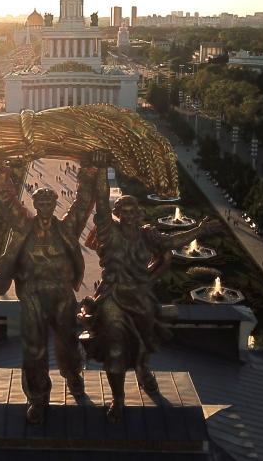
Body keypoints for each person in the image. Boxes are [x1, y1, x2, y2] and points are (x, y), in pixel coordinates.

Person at [81, 153, 217, 423]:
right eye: (124, 210)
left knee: (144, 345)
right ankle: (118, 399)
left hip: (141, 298)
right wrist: (102, 168)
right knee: (116, 350)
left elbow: (171, 241)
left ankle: (143, 371)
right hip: (113, 298)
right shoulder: (109, 231)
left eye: (134, 210)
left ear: (139, 213)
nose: (129, 214)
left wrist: (198, 230)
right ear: (116, 213)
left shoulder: (147, 234)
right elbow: (100, 201)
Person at [0, 158, 97, 424]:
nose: (45, 207)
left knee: (67, 342)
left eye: (49, 203)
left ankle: (72, 375)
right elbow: (8, 203)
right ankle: (37, 397)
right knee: (34, 349)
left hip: (61, 295)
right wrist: (1, 174)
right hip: (32, 294)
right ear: (34, 204)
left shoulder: (66, 228)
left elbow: (82, 204)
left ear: (55, 205)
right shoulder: (24, 226)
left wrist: (89, 172)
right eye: (40, 203)